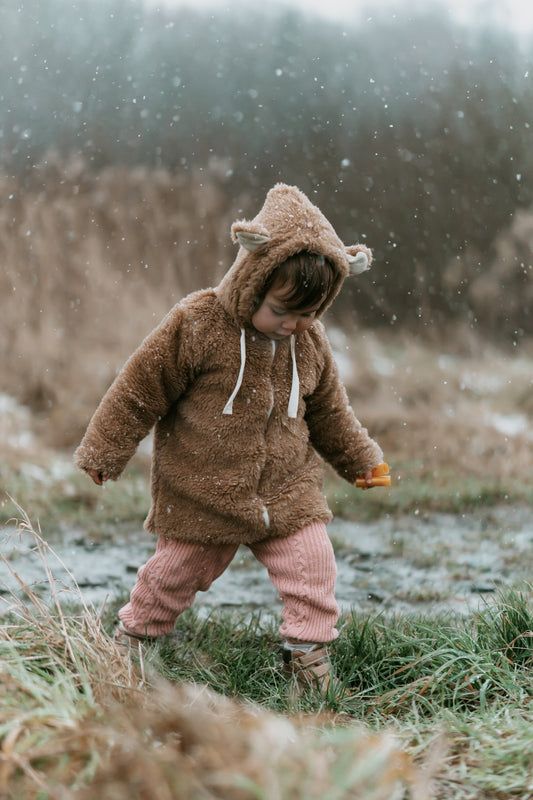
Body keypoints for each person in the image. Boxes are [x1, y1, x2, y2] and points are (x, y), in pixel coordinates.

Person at [74, 183, 384, 692]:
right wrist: (107, 448)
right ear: (252, 280)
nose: (292, 324)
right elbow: (139, 388)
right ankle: (135, 643)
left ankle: (307, 657)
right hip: (202, 488)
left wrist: (359, 460)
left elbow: (329, 410)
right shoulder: (198, 324)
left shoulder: (309, 344)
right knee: (172, 576)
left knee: (313, 566)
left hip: (287, 490)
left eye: (307, 313)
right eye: (281, 310)